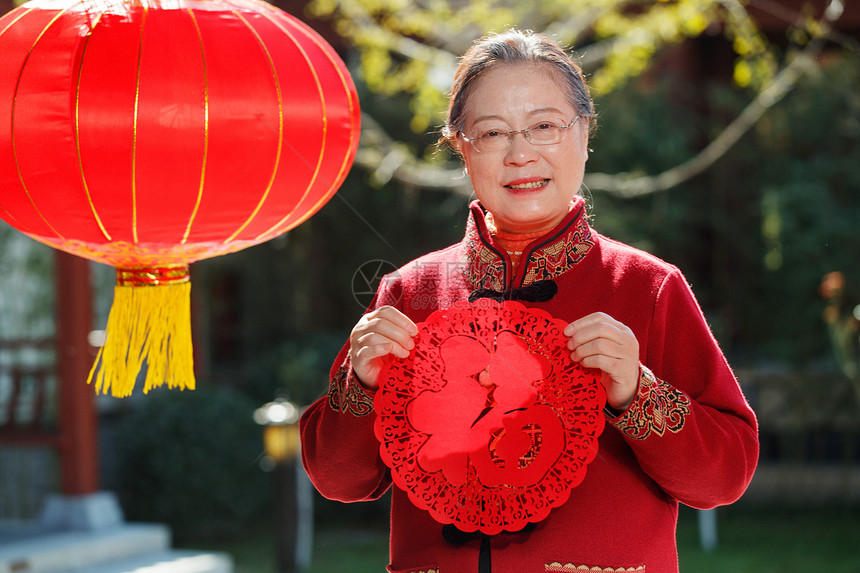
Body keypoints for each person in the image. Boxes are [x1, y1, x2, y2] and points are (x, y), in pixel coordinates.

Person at [300, 29, 758, 573]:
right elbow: (338, 479)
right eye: (492, 133)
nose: (521, 154)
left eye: (544, 126)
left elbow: (725, 477)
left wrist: (638, 392)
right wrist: (362, 385)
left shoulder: (646, 287)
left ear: (584, 134)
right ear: (460, 146)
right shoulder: (410, 292)